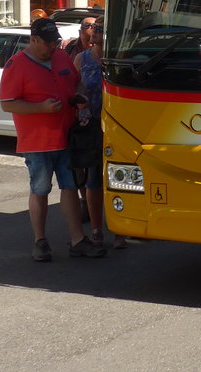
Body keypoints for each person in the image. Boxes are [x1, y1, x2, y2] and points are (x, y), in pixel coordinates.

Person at [0, 17, 106, 261]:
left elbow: (76, 83)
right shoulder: (16, 65)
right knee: (41, 188)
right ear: (34, 40)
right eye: (47, 43)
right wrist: (41, 108)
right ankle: (40, 241)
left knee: (69, 187)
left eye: (54, 42)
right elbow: (8, 104)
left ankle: (78, 239)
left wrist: (79, 98)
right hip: (38, 143)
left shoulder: (60, 57)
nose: (52, 47)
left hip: (67, 136)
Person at [71, 21, 126, 249]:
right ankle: (96, 229)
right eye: (98, 38)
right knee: (93, 179)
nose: (101, 42)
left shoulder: (120, 58)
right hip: (92, 125)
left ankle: (120, 228)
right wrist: (79, 102)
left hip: (118, 127)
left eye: (105, 39)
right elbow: (73, 88)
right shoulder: (81, 60)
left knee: (117, 178)